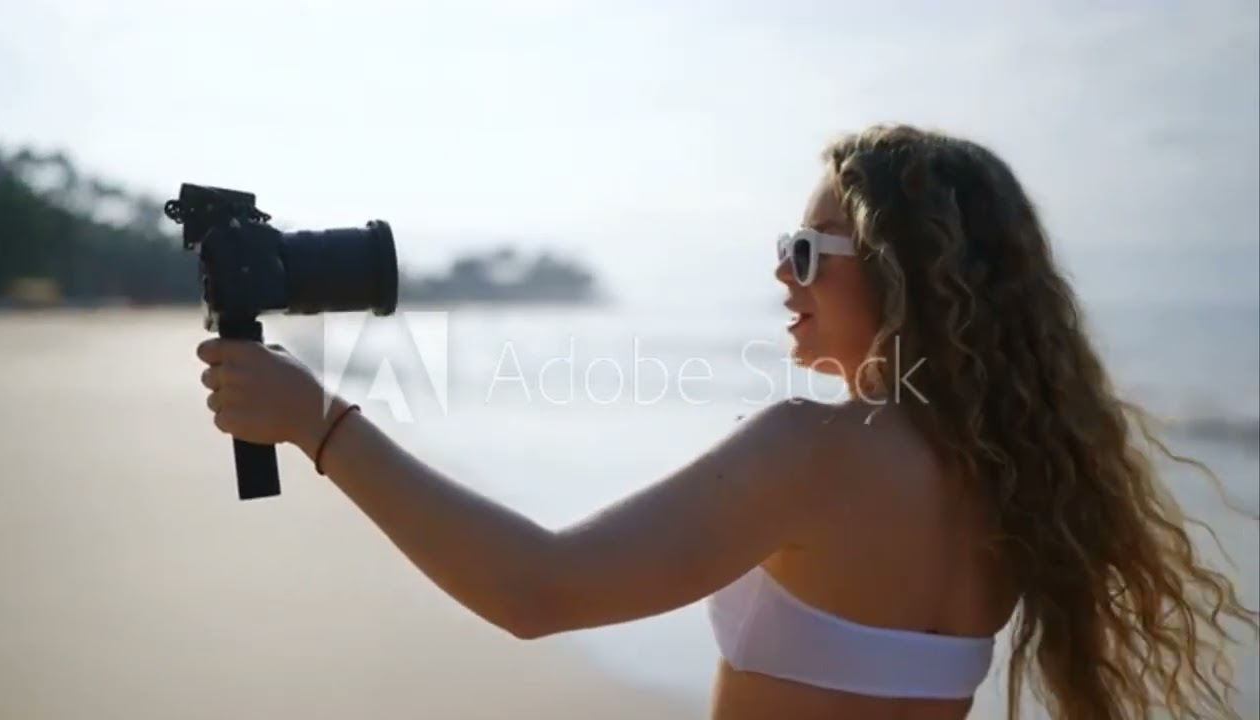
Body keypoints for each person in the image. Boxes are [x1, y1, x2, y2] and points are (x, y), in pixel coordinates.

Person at [195, 123, 1259, 720]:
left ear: (900, 273)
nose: (781, 275)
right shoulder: (1015, 477)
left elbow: (536, 589)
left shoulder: (817, 450)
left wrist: (322, 425)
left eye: (805, 253)